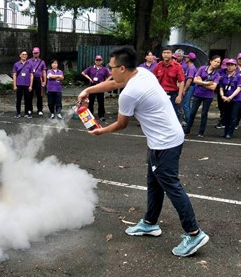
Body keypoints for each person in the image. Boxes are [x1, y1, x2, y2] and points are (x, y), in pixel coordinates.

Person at [77, 46, 209, 257]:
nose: (109, 71)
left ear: (121, 68)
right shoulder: (142, 73)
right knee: (154, 182)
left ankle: (194, 233)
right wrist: (88, 90)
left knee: (171, 185)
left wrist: (101, 131)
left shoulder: (129, 93)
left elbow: (121, 124)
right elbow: (114, 82)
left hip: (165, 142)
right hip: (164, 139)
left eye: (111, 67)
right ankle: (150, 223)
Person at [184, 55, 221, 137]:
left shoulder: (216, 75)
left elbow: (213, 87)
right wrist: (206, 83)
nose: (216, 63)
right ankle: (187, 130)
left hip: (208, 96)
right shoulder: (202, 69)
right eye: (215, 61)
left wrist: (201, 83)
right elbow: (195, 80)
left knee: (204, 113)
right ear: (211, 61)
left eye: (218, 62)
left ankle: (201, 132)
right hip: (198, 94)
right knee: (193, 112)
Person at [153, 47, 185, 118]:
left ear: (172, 54)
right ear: (162, 54)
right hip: (160, 93)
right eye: (164, 53)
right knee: (159, 114)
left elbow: (181, 81)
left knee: (173, 115)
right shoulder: (158, 65)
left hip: (173, 94)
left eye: (168, 53)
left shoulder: (177, 66)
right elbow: (153, 79)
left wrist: (179, 96)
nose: (166, 55)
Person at [81, 55, 111, 121]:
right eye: (97, 60)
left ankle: (101, 115)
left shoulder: (104, 69)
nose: (98, 61)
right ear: (95, 61)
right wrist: (89, 78)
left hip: (100, 86)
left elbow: (110, 76)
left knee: (101, 101)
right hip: (92, 85)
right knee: (91, 101)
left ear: (102, 61)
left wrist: (105, 82)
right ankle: (90, 114)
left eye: (99, 60)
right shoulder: (91, 68)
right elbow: (83, 73)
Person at [219, 58, 241, 139]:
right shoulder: (224, 76)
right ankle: (225, 132)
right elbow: (221, 87)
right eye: (228, 65)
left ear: (235, 66)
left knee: (233, 117)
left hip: (236, 99)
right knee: (226, 116)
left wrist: (230, 97)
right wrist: (222, 96)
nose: (229, 66)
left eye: (232, 65)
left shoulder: (238, 76)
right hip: (226, 98)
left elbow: (239, 88)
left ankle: (230, 133)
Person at [12, 50, 33, 118]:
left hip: (27, 85)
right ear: (20, 55)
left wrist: (31, 85)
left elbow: (31, 75)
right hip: (19, 84)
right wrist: (14, 85)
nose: (24, 56)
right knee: (18, 99)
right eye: (23, 54)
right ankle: (18, 112)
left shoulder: (30, 64)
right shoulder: (16, 64)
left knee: (27, 99)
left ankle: (27, 112)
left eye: (26, 54)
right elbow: (14, 75)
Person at [28, 47, 47, 116]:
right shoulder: (29, 61)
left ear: (39, 53)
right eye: (34, 53)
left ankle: (40, 109)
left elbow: (44, 72)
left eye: (37, 53)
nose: (36, 54)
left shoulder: (42, 62)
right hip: (30, 79)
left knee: (39, 95)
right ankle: (29, 109)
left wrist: (44, 81)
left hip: (39, 79)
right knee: (30, 95)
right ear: (32, 53)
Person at [181, 53, 198, 126]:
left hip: (189, 87)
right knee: (185, 104)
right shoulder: (189, 67)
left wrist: (184, 89)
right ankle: (187, 120)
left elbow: (189, 80)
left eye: (187, 57)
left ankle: (188, 121)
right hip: (188, 87)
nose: (185, 58)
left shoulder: (192, 68)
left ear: (189, 59)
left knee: (185, 104)